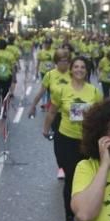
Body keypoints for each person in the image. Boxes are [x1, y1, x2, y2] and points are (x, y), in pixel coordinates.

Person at [43, 57, 102, 221]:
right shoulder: (62, 90)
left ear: (87, 70)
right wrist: (45, 129)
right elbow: (52, 112)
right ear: (71, 70)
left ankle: (86, 211)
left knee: (90, 178)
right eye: (76, 66)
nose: (79, 69)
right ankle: (69, 217)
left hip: (87, 140)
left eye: (83, 67)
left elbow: (101, 116)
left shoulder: (94, 91)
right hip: (66, 139)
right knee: (71, 176)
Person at [27, 48, 72, 180]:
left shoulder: (73, 73)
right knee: (59, 142)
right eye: (62, 61)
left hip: (71, 112)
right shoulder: (50, 75)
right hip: (56, 112)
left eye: (67, 61)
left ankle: (73, 164)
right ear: (56, 62)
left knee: (73, 141)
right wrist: (33, 106)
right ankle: (61, 167)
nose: (65, 64)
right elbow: (41, 92)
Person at [0, 38, 16, 120]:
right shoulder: (10, 55)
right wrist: (14, 77)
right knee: (5, 94)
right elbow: (13, 67)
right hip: (7, 77)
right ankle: (4, 111)